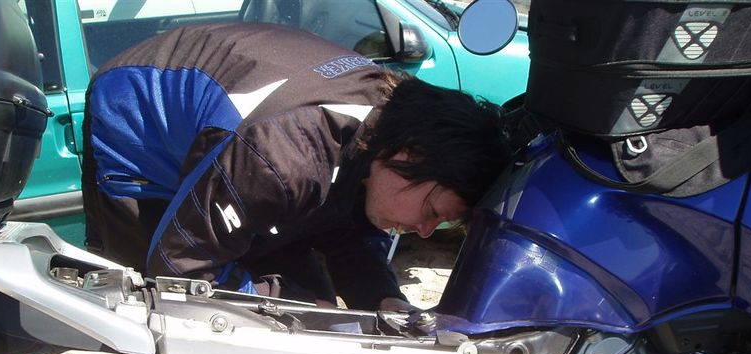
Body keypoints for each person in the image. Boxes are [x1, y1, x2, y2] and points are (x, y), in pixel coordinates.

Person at [82, 22, 511, 311]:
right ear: (408, 156)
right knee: (176, 303)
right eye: (433, 211)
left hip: (245, 128)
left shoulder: (390, 128)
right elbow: (181, 268)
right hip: (136, 113)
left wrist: (383, 298)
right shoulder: (283, 157)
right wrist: (278, 305)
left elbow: (347, 231)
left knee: (314, 305)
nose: (425, 232)